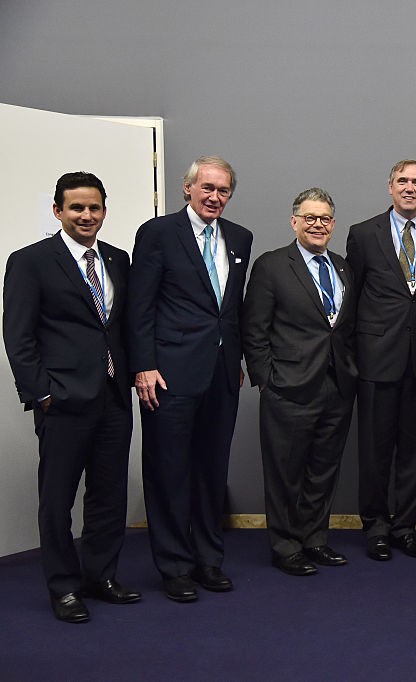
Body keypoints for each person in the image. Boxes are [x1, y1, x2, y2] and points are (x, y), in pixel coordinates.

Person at [3, 172, 139, 623]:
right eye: (76, 208)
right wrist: (41, 394)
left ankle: (100, 576)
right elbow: (18, 337)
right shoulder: (31, 261)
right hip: (62, 401)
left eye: (94, 207)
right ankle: (63, 587)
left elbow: (120, 327)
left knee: (108, 494)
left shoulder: (118, 260)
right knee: (57, 499)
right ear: (58, 211)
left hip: (115, 398)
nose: (86, 215)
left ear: (104, 210)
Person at [127, 156, 253, 602]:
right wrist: (143, 365)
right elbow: (139, 305)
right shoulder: (158, 233)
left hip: (222, 376)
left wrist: (236, 359)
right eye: (208, 188)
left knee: (210, 471)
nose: (215, 197)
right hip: (168, 374)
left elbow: (230, 310)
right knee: (168, 471)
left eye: (223, 191)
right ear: (188, 188)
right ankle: (175, 567)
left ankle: (208, 560)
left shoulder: (239, 238)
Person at [241, 188, 357, 576]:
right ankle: (286, 546)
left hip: (336, 385)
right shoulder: (272, 265)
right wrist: (266, 380)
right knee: (285, 472)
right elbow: (253, 328)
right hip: (288, 387)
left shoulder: (342, 266)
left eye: (324, 218)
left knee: (323, 470)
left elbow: (345, 328)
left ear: (333, 224)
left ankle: (315, 540)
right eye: (310, 218)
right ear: (294, 222)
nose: (317, 225)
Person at [346, 160, 416, 562]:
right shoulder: (363, 234)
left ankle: (406, 526)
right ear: (389, 187)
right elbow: (351, 299)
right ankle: (375, 527)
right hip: (376, 359)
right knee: (375, 450)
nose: (410, 188)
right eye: (402, 181)